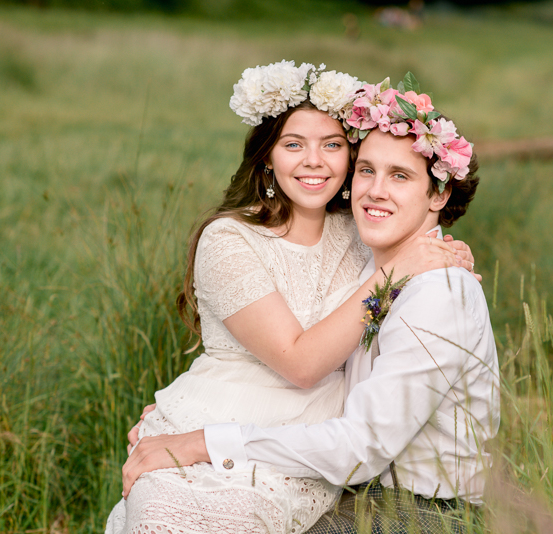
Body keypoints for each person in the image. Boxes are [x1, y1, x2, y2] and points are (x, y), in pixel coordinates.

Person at [106, 62, 475, 534]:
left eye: (333, 145)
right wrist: (397, 270)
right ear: (267, 157)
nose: (314, 161)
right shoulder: (229, 240)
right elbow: (299, 363)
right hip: (215, 420)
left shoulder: (362, 232)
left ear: (349, 158)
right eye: (293, 144)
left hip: (301, 447)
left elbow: (415, 239)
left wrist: (445, 251)